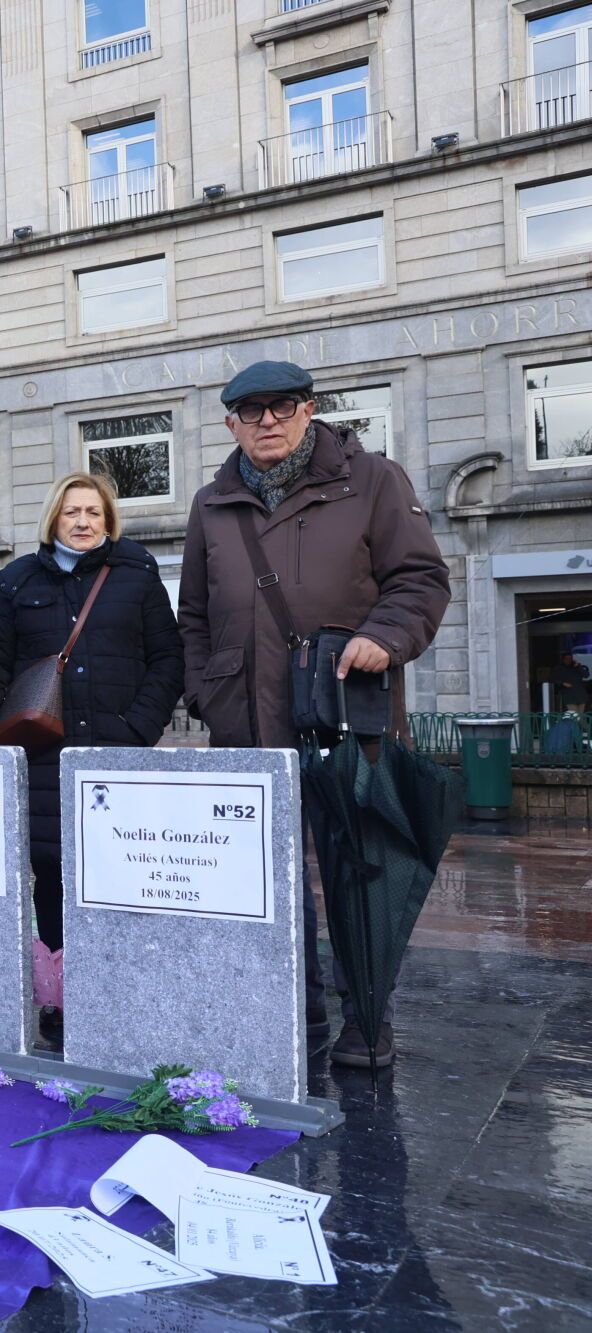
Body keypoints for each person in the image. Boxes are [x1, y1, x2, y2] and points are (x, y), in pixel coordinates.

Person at [178, 360, 450, 1070]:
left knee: (361, 869)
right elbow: (193, 617)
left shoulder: (372, 479)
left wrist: (383, 637)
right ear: (229, 420)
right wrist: (207, 693)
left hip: (344, 713)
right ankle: (290, 1011)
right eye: (250, 409)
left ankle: (365, 1016)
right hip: (246, 723)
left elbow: (420, 579)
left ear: (309, 410)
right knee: (263, 881)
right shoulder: (212, 502)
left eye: (283, 406)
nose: (267, 420)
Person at [0, 470, 181, 1032]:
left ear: (108, 521)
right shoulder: (18, 580)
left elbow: (167, 661)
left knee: (118, 874)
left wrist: (135, 731)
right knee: (52, 875)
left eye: (94, 514)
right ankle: (59, 995)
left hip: (113, 757)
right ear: (53, 518)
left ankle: (116, 988)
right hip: (40, 758)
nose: (82, 522)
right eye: (71, 512)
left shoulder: (136, 574)